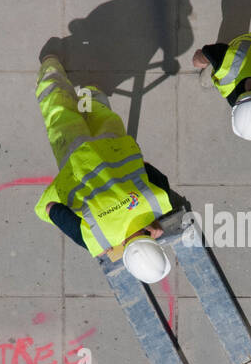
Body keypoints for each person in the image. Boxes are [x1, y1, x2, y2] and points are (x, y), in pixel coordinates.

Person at [33, 48, 183, 284]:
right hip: (77, 156)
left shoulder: (160, 198)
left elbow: (145, 167)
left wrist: (144, 217)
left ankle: (90, 91)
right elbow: (53, 209)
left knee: (101, 116)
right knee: (59, 113)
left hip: (113, 146)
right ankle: (49, 65)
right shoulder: (97, 240)